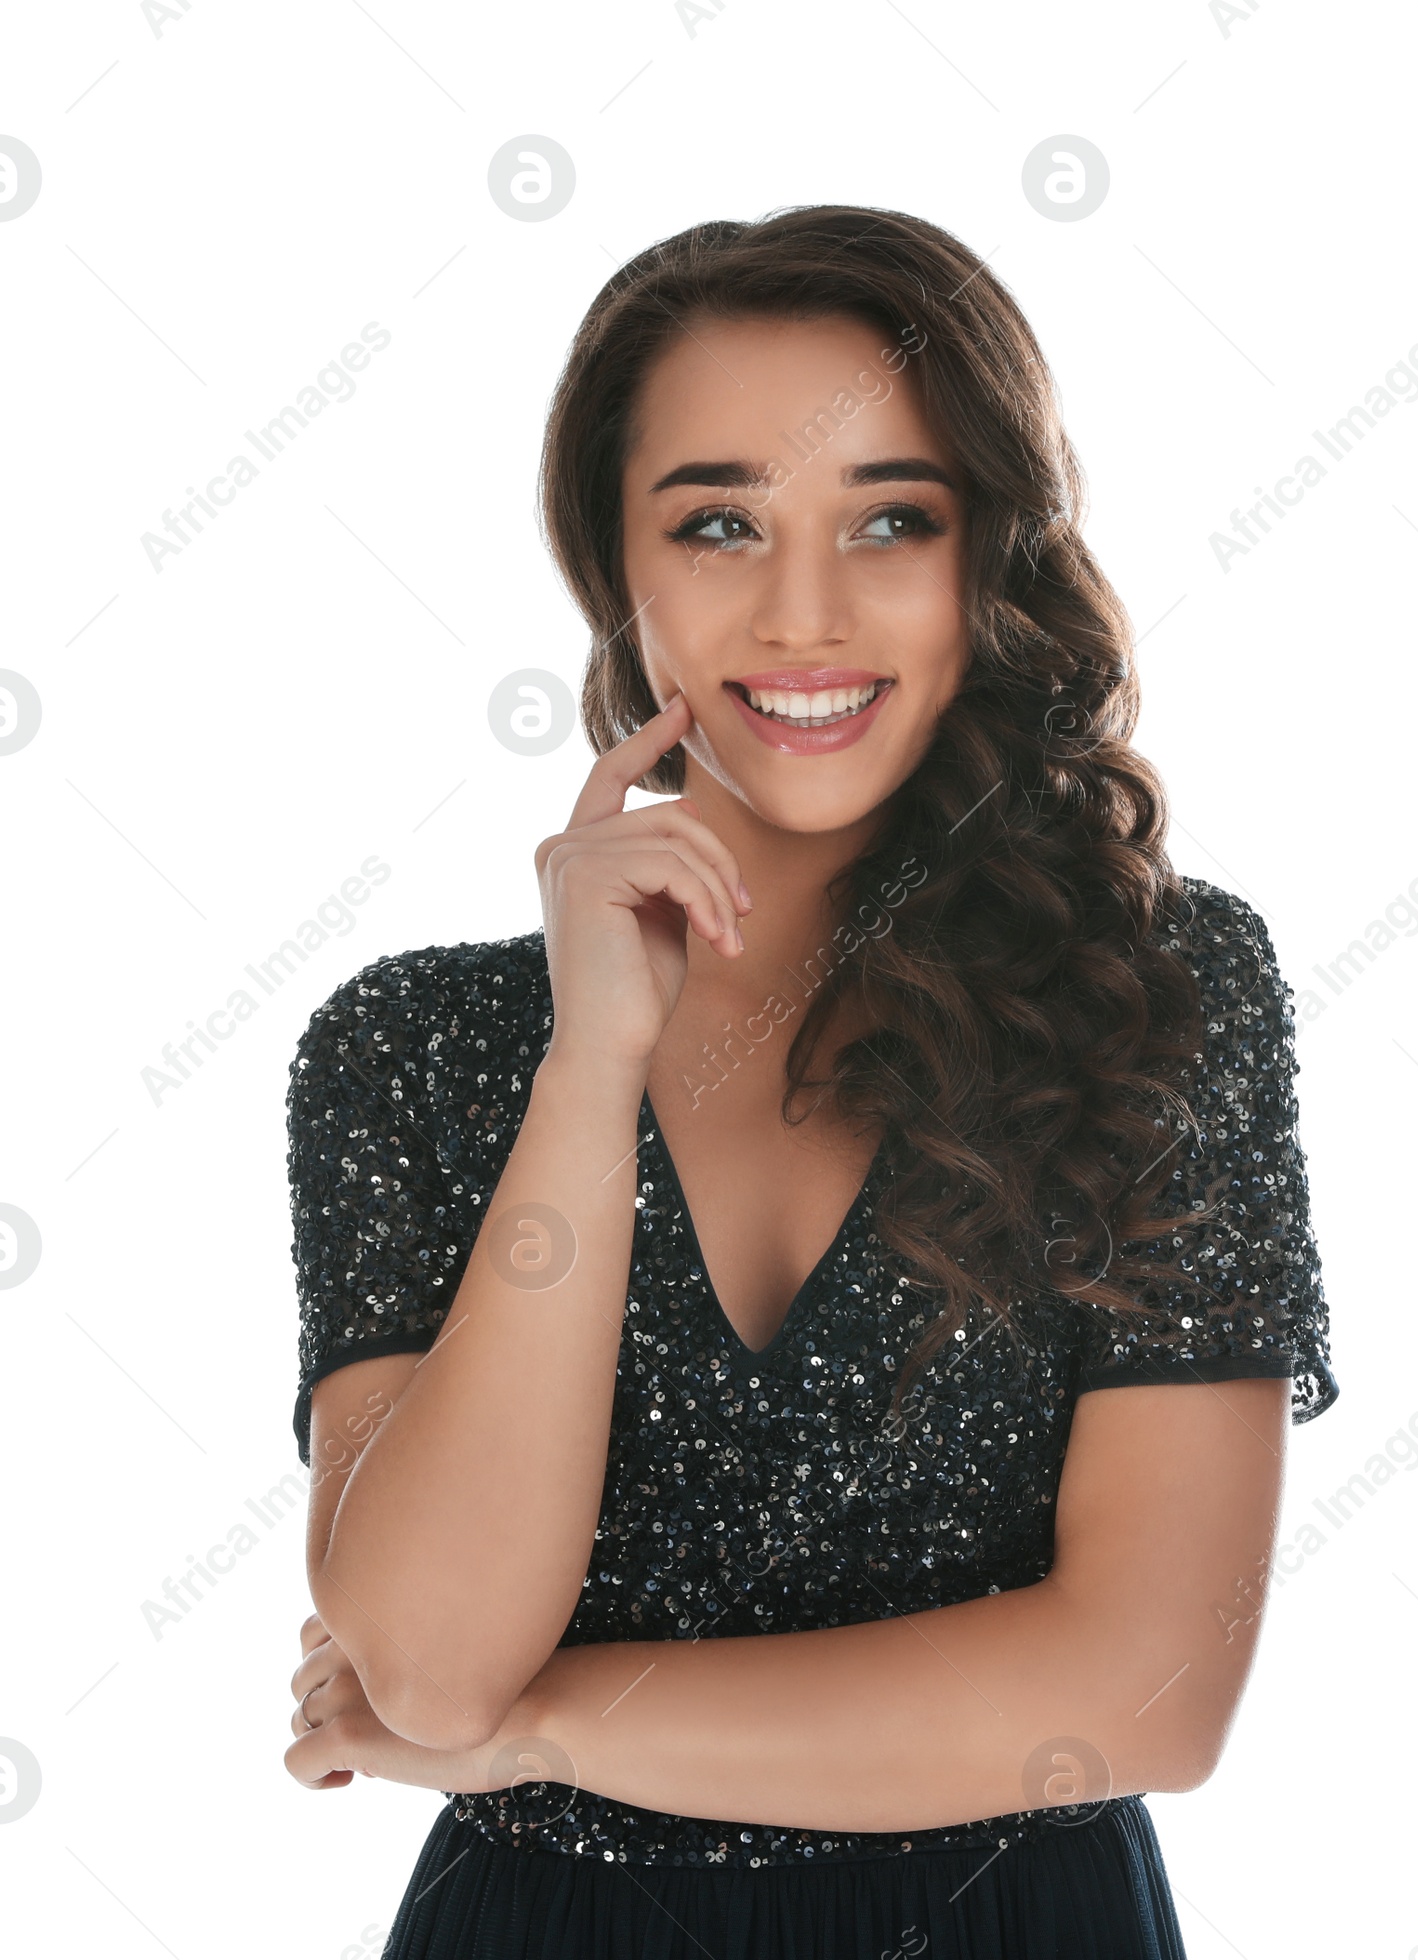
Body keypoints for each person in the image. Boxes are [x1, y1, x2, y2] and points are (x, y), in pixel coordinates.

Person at [282, 204, 1338, 1959]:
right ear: (613, 566)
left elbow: (1143, 1692)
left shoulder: (1156, 995)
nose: (804, 615)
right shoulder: (415, 1051)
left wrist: (551, 1731)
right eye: (718, 524)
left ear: (985, 557)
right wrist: (590, 1056)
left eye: (891, 524)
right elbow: (435, 1657)